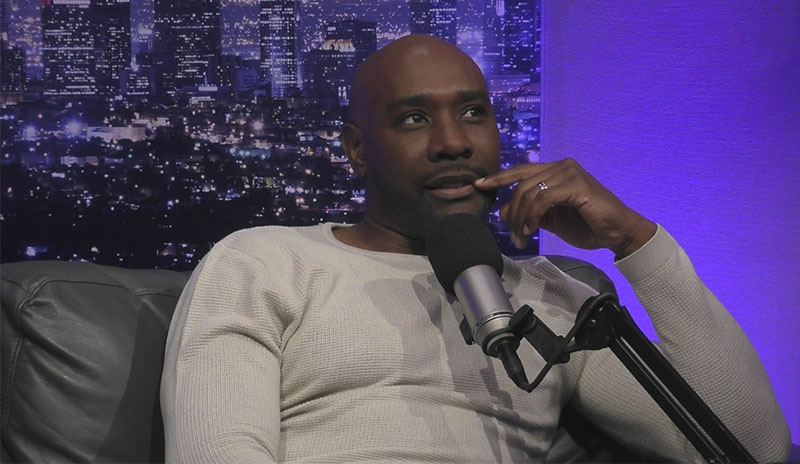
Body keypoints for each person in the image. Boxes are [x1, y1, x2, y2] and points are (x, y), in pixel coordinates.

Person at [160, 35, 790, 462]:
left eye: (472, 113)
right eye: (414, 119)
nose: (452, 143)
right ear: (356, 149)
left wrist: (635, 240)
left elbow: (752, 446)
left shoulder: (552, 297)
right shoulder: (263, 263)